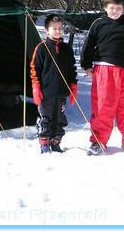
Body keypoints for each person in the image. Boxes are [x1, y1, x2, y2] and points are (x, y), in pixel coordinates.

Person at [80, 0, 124, 155]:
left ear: (123, 9)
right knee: (103, 108)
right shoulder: (98, 24)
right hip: (104, 70)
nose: (115, 11)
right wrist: (86, 65)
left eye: (118, 8)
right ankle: (98, 142)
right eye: (112, 8)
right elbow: (88, 46)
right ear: (105, 8)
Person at [30, 14, 78, 154]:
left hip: (61, 91)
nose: (57, 31)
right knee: (46, 118)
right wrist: (36, 87)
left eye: (59, 28)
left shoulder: (67, 49)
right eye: (54, 28)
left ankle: (56, 142)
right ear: (47, 31)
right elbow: (35, 69)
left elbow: (72, 69)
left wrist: (73, 85)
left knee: (59, 118)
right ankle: (44, 142)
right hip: (46, 92)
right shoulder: (41, 48)